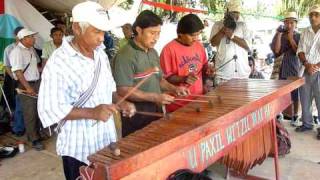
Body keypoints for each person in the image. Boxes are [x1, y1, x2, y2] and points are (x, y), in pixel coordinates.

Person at [37, 2, 136, 180]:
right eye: (96, 31)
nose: (101, 38)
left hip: (106, 140)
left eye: (103, 32)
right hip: (78, 148)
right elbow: (51, 108)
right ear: (77, 28)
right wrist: (92, 112)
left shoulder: (101, 54)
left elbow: (110, 88)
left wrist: (121, 101)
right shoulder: (59, 63)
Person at [113, 10, 189, 137]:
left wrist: (175, 89)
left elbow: (159, 80)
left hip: (156, 110)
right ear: (138, 30)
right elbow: (123, 89)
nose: (156, 38)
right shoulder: (125, 55)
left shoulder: (153, 52)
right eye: (152, 33)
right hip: (135, 113)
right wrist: (155, 97)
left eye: (158, 33)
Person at [160, 14, 214, 112]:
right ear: (180, 34)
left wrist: (208, 70)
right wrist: (184, 78)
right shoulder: (168, 50)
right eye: (193, 35)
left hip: (198, 100)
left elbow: (204, 67)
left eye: (199, 34)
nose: (196, 38)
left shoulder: (199, 46)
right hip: (177, 105)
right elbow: (166, 79)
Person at [10, 28, 43, 150]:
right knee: (30, 113)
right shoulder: (16, 52)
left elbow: (34, 68)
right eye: (31, 37)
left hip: (36, 82)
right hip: (26, 85)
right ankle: (34, 139)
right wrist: (28, 88)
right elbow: (18, 72)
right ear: (23, 39)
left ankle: (36, 134)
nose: (34, 39)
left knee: (38, 110)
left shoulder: (31, 49)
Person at [210, 0, 251, 86]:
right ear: (227, 12)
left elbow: (248, 46)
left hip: (242, 73)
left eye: (236, 14)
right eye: (232, 13)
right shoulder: (217, 25)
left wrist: (232, 36)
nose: (235, 16)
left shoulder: (243, 25)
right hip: (223, 74)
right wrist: (222, 31)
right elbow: (213, 43)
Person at [270, 11, 300, 125]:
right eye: (286, 22)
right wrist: (278, 34)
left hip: (293, 67)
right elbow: (277, 50)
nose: (289, 25)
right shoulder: (280, 35)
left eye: (291, 23)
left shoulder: (299, 36)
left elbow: (297, 51)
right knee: (279, 92)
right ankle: (279, 114)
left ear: (296, 24)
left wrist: (291, 38)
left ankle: (295, 116)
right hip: (280, 68)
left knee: (294, 93)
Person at [295, 5, 320, 140]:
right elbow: (300, 50)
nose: (313, 17)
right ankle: (307, 124)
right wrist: (307, 64)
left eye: (316, 14)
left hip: (318, 70)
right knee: (305, 98)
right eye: (311, 15)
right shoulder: (305, 31)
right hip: (306, 69)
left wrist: (315, 66)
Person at [1, 26, 25, 136]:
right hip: (13, 80)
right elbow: (7, 66)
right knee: (15, 104)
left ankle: (24, 125)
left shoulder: (29, 48)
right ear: (16, 36)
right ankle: (17, 127)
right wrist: (14, 77)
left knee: (25, 103)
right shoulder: (9, 49)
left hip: (26, 79)